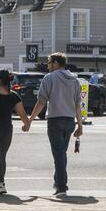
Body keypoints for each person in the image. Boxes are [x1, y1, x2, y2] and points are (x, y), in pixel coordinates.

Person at [29, 52, 83, 197]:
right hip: (70, 121)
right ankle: (58, 181)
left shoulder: (50, 78)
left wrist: (30, 120)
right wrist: (80, 125)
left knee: (58, 154)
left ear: (56, 63)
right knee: (61, 153)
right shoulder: (74, 80)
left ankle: (61, 186)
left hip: (55, 120)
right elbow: (78, 104)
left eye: (49, 63)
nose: (48, 66)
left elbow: (41, 101)